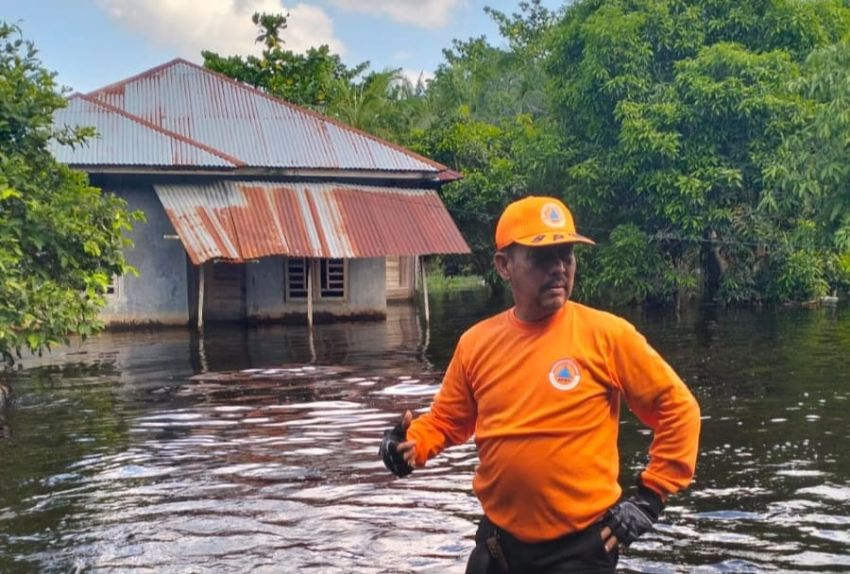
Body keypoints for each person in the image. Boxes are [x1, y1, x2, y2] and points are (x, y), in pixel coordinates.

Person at [379, 196, 701, 573]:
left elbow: (679, 410)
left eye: (566, 256)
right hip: (499, 547)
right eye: (542, 257)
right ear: (504, 265)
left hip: (581, 549)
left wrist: (649, 499)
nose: (559, 269)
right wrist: (408, 446)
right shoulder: (476, 343)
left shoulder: (608, 335)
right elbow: (448, 421)